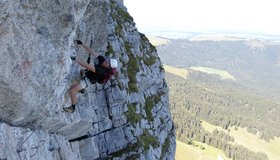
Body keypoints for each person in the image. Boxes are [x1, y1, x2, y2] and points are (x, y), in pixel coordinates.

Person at [63, 40, 118, 113]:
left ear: (109, 67)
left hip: (88, 80)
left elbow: (87, 66)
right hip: (88, 74)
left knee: (72, 90)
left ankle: (73, 107)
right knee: (82, 72)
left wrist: (75, 59)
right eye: (108, 60)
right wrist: (82, 44)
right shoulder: (102, 60)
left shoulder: (101, 71)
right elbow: (92, 52)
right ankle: (81, 89)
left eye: (108, 63)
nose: (106, 61)